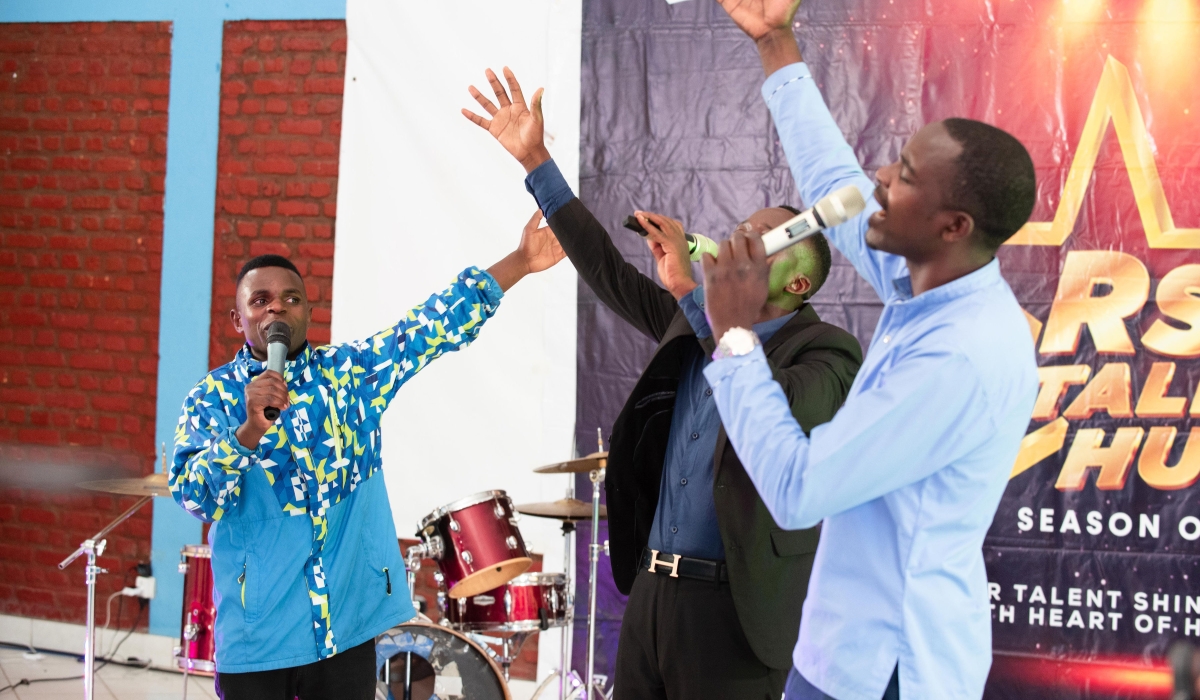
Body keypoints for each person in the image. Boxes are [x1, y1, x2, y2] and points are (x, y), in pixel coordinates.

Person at [462, 67, 862, 700]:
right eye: (739, 233)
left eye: (760, 242)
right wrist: (537, 160)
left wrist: (690, 294)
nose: (738, 244)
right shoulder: (693, 320)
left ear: (797, 283)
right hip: (653, 598)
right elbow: (607, 271)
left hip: (734, 616)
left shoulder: (827, 353)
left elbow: (771, 411)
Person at [696, 2, 1041, 699]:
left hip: (885, 673)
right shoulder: (928, 283)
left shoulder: (958, 361)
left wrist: (735, 338)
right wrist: (777, 46)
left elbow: (798, 490)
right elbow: (835, 189)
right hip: (846, 659)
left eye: (906, 175)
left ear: (952, 225)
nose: (882, 177)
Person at [167, 213, 565, 700]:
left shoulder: (349, 376)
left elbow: (430, 327)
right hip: (258, 637)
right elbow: (194, 497)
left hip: (346, 629)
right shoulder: (210, 399)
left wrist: (520, 262)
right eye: (261, 300)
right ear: (238, 319)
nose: (277, 311)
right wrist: (248, 431)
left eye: (291, 299)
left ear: (308, 311)